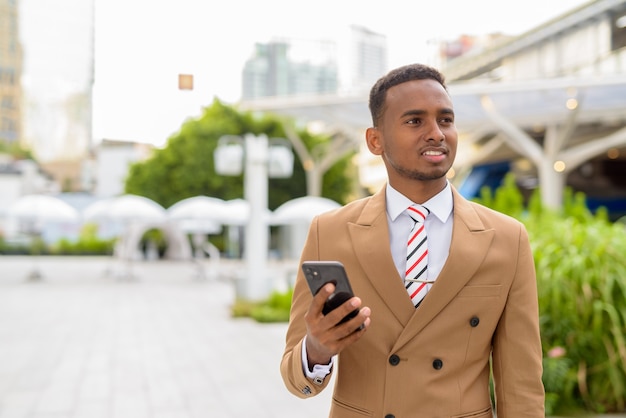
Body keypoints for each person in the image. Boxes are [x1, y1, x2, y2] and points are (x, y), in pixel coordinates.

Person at [280, 63, 545, 418]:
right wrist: (316, 349)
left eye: (446, 120)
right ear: (376, 140)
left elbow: (522, 385)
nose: (436, 133)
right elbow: (296, 381)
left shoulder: (507, 239)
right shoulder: (328, 232)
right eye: (415, 121)